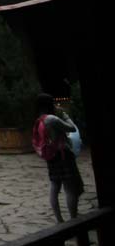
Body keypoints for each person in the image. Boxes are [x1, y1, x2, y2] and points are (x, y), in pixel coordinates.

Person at [35, 93, 84, 222]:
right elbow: (72, 128)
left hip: (51, 157)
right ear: (49, 104)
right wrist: (65, 116)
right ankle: (74, 219)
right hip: (63, 155)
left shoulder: (40, 119)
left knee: (54, 187)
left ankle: (59, 220)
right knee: (70, 189)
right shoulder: (52, 119)